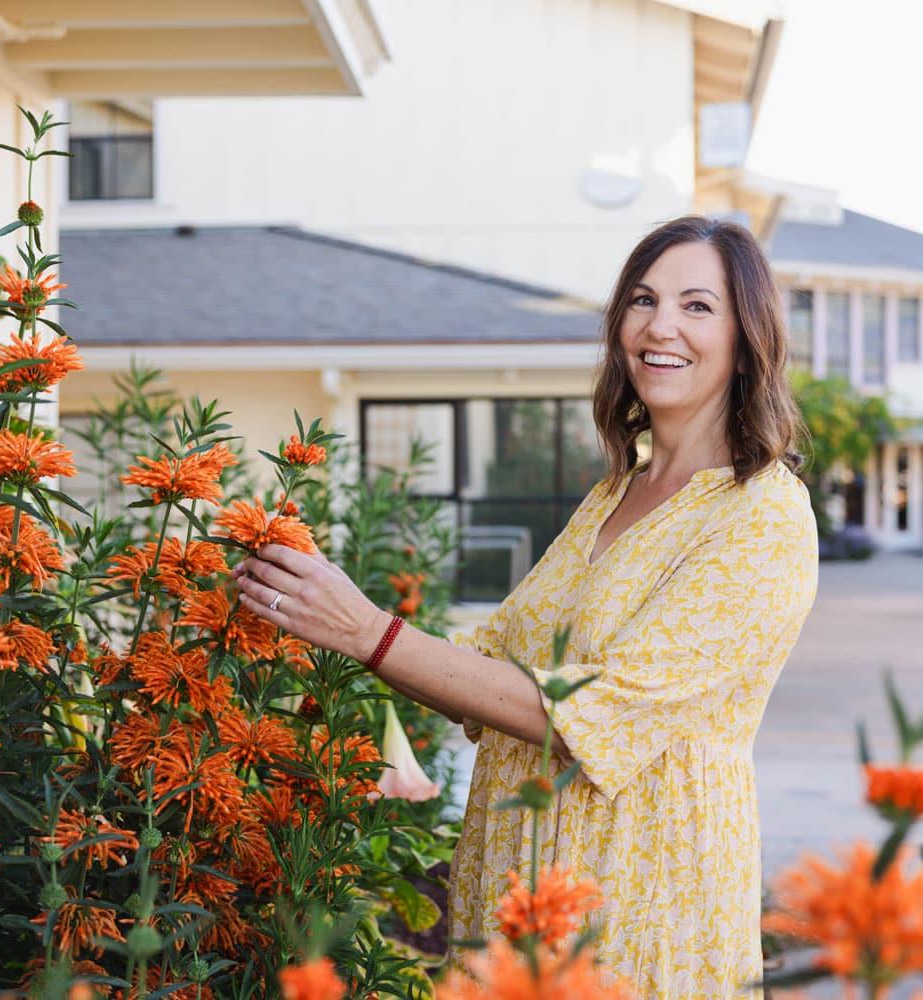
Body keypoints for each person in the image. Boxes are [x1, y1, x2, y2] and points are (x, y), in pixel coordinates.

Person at [233, 214, 819, 999]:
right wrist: (322, 602)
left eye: (697, 306)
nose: (660, 325)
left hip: (638, 906)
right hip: (511, 892)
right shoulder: (616, 492)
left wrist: (367, 629)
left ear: (750, 339)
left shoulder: (762, 515)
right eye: (642, 300)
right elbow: (483, 664)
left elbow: (583, 721)